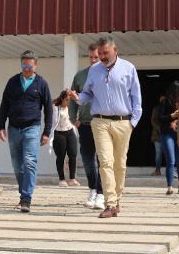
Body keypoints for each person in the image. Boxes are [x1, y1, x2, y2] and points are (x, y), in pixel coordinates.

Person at [67, 35, 142, 218]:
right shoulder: (94, 71)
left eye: (105, 53)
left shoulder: (128, 68)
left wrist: (133, 122)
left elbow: (136, 98)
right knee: (105, 162)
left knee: (119, 164)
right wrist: (77, 98)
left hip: (123, 122)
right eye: (99, 53)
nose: (102, 56)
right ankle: (109, 202)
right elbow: (87, 94)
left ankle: (117, 199)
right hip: (99, 121)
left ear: (115, 50)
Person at [0, 50, 53, 213]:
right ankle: (24, 193)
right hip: (14, 129)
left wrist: (46, 132)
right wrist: (1, 126)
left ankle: (26, 198)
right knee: (17, 165)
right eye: (24, 65)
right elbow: (4, 105)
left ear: (35, 65)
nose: (26, 68)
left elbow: (48, 109)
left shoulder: (41, 83)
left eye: (29, 65)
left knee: (30, 162)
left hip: (32, 128)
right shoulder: (12, 82)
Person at [69, 43, 105, 210]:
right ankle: (92, 189)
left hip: (103, 123)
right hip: (84, 123)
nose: (93, 60)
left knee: (103, 160)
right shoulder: (80, 76)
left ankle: (101, 193)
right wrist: (73, 118)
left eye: (96, 57)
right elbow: (72, 98)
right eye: (90, 57)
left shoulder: (107, 73)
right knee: (88, 160)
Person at [158, 81, 179, 195]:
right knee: (171, 160)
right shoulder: (165, 102)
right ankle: (170, 187)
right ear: (177, 91)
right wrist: (172, 116)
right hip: (167, 133)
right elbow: (159, 118)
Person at [51, 90, 80, 187]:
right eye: (67, 100)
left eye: (70, 100)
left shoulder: (70, 108)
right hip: (59, 133)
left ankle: (72, 178)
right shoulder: (55, 108)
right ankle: (62, 179)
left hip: (70, 131)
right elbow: (54, 120)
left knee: (73, 154)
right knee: (61, 156)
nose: (68, 102)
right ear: (62, 99)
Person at [150, 96, 165, 177]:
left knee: (169, 154)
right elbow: (153, 120)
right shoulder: (156, 109)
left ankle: (172, 171)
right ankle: (157, 170)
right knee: (158, 153)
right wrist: (158, 128)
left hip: (167, 134)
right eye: (161, 100)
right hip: (157, 135)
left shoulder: (169, 109)